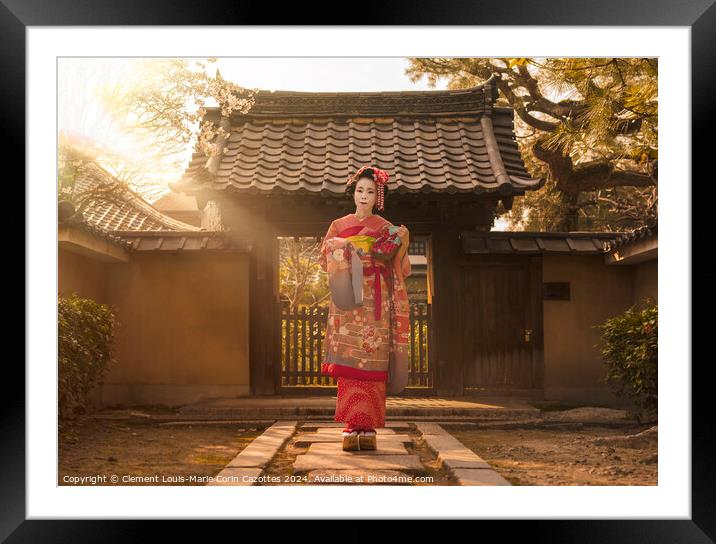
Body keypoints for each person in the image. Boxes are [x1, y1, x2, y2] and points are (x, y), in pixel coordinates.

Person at [318, 165, 411, 451]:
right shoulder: (338, 224)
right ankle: (350, 426)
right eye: (360, 190)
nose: (364, 196)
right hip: (349, 295)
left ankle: (368, 427)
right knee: (350, 363)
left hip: (375, 298)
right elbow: (325, 257)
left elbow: (399, 264)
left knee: (372, 360)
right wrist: (347, 249)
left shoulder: (385, 227)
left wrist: (400, 238)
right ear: (353, 193)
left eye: (370, 192)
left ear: (377, 197)